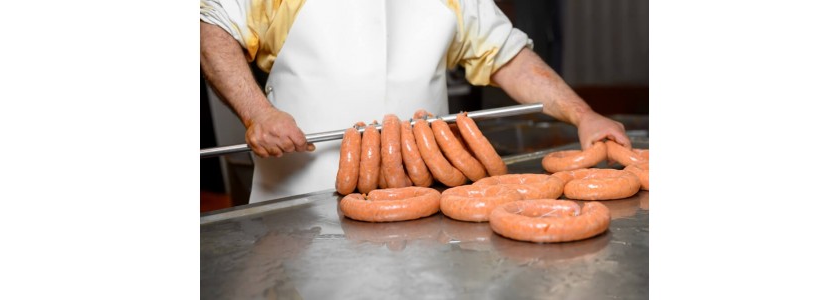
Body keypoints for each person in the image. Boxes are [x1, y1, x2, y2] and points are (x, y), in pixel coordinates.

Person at [200, 0, 632, 203]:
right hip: (298, 204)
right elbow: (210, 26)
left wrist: (582, 114)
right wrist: (257, 113)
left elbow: (508, 57)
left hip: (427, 201)